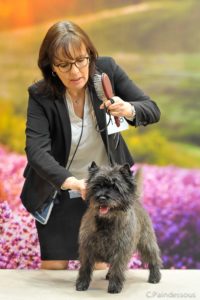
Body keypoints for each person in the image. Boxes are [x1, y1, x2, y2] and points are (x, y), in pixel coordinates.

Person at [20, 21, 160, 270]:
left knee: (100, 271)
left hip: (106, 190)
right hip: (59, 190)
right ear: (51, 67)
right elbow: (36, 151)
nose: (75, 71)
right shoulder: (40, 95)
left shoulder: (107, 71)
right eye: (64, 64)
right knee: (54, 271)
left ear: (90, 55)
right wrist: (73, 183)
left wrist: (128, 109)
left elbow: (151, 109)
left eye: (81, 60)